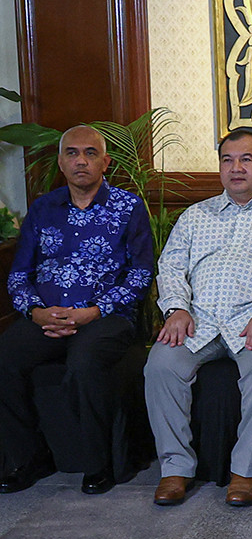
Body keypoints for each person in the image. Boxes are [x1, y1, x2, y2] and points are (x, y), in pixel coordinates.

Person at [145, 129, 252, 507]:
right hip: (199, 319)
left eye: (246, 159)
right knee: (160, 364)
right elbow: (171, 267)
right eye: (227, 160)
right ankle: (176, 468)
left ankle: (245, 471)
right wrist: (176, 308)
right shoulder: (196, 216)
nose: (235, 168)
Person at [0, 125, 153, 494]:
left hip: (106, 317)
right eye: (72, 153)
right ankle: (26, 458)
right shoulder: (43, 209)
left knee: (84, 364)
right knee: (4, 358)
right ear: (61, 162)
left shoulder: (129, 208)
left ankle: (97, 464)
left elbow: (142, 274)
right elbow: (19, 274)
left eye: (90, 153)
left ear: (105, 162)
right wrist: (35, 311)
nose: (80, 161)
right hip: (47, 315)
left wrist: (95, 311)